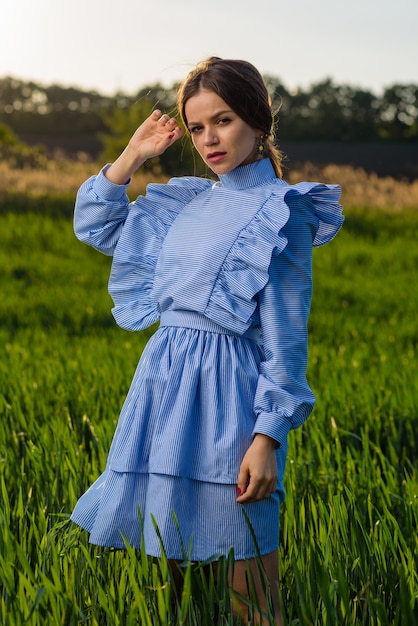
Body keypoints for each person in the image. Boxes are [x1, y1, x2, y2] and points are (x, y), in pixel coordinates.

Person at [70, 56, 343, 624]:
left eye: (223, 121)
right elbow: (98, 227)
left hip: (230, 404)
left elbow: (286, 335)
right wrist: (135, 154)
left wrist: (268, 436)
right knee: (170, 589)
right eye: (196, 128)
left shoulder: (281, 211)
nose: (209, 139)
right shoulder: (185, 201)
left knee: (253, 596)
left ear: (258, 120)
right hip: (161, 395)